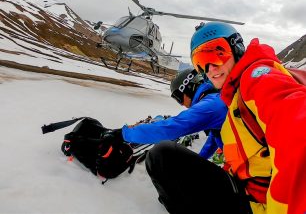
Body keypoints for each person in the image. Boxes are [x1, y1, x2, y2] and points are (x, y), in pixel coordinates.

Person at [145, 22, 306, 214]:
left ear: (237, 48)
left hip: (259, 205)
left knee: (161, 156)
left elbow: (299, 132)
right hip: (247, 190)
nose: (210, 68)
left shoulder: (257, 78)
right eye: (200, 62)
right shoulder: (233, 97)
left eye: (216, 54)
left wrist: (126, 134)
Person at [120, 67, 227, 160]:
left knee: (160, 152)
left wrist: (124, 134)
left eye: (179, 98)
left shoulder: (210, 106)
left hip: (241, 173)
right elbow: (215, 136)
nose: (181, 104)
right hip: (239, 165)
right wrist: (200, 159)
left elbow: (169, 129)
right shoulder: (216, 98)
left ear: (188, 87)